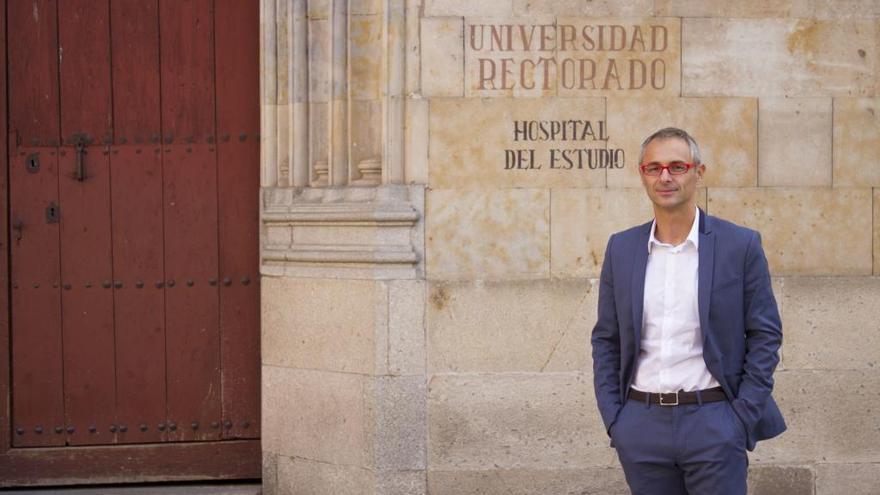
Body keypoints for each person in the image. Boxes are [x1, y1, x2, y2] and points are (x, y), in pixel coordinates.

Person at [591, 127, 786, 494]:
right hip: (641, 424)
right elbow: (607, 338)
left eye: (677, 166)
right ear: (642, 175)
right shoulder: (622, 248)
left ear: (699, 172)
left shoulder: (739, 245)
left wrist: (740, 418)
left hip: (713, 420)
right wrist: (617, 420)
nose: (665, 176)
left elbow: (765, 334)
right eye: (654, 168)